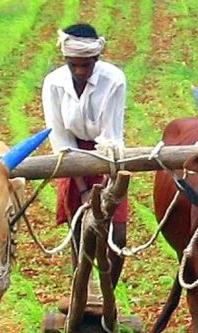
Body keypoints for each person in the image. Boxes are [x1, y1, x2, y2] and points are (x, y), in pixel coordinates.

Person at [41, 22, 128, 290]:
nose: (80, 71)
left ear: (96, 59)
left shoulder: (114, 79)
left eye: (86, 65)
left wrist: (105, 190)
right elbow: (60, 139)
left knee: (118, 235)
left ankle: (107, 295)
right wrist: (82, 190)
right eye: (74, 65)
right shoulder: (54, 84)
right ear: (66, 60)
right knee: (80, 230)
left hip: (107, 158)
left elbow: (110, 136)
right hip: (71, 158)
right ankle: (81, 290)